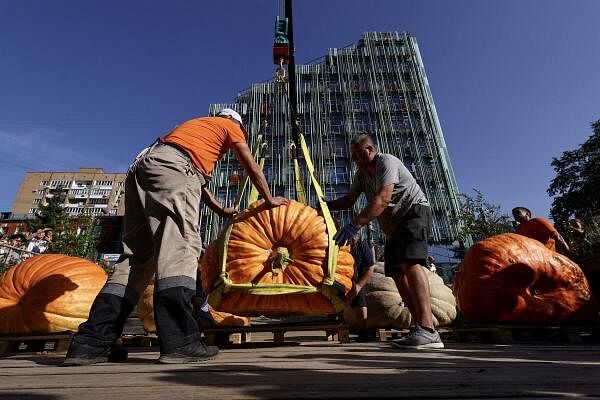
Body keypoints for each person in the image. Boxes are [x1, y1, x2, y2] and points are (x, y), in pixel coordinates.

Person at [63, 108, 288, 366]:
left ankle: (91, 344)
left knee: (136, 260)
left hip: (142, 169)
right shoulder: (228, 125)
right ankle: (180, 342)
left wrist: (220, 209)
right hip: (173, 168)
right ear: (235, 122)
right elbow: (249, 162)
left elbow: (186, 176)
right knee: (179, 248)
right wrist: (269, 198)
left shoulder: (192, 129)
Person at [327, 133, 443, 349]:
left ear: (370, 149)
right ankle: (419, 327)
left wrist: (356, 224)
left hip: (412, 212)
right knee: (396, 273)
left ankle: (428, 329)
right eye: (353, 156)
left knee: (411, 263)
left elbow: (383, 198)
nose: (356, 159)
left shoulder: (386, 162)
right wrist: (327, 205)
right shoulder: (361, 175)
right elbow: (350, 199)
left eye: (359, 153)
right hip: (392, 226)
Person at [346, 231, 375, 341]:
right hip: (345, 279)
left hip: (360, 279)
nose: (350, 239)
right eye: (348, 237)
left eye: (352, 236)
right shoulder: (340, 246)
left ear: (358, 236)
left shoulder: (362, 246)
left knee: (359, 297)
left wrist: (358, 286)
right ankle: (345, 325)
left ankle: (363, 330)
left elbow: (370, 268)